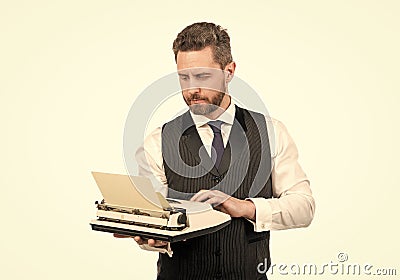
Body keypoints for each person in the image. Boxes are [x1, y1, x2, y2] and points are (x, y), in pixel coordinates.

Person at [116, 22, 315, 280]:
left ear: (229, 71)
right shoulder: (157, 142)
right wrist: (150, 237)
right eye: (183, 77)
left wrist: (246, 208)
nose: (191, 90)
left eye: (202, 77)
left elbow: (304, 207)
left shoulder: (271, 132)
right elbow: (155, 218)